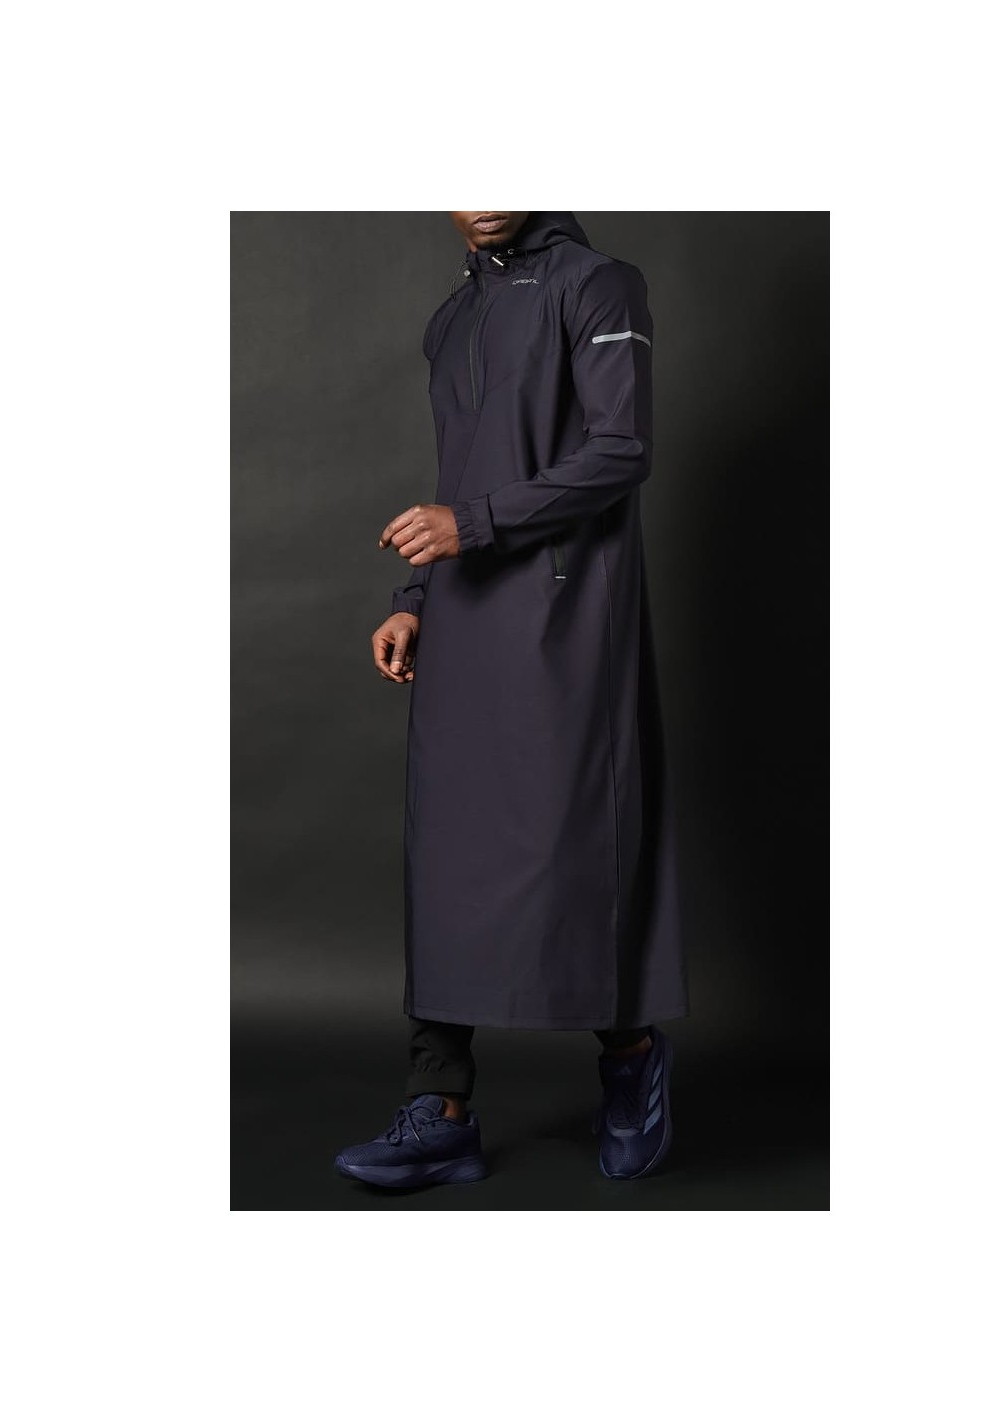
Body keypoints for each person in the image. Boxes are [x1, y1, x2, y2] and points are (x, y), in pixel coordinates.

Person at [334, 211, 689, 1189]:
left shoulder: (596, 283)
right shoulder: (452, 317)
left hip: (564, 609)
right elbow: (459, 470)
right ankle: (441, 1107)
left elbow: (621, 448)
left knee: (571, 837)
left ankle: (630, 1059)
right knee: (446, 848)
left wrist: (476, 523)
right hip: (463, 606)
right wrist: (414, 597)